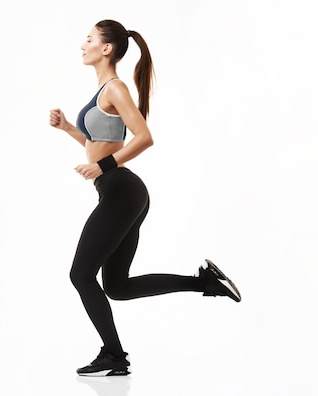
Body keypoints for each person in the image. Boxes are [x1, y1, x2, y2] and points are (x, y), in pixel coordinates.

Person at [48, 19, 241, 377]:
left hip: (122, 190)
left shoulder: (115, 88)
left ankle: (114, 356)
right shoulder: (104, 91)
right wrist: (70, 130)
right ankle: (203, 282)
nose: (82, 45)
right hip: (122, 191)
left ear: (106, 48)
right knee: (117, 287)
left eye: (88, 39)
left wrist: (103, 166)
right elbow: (103, 145)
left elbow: (143, 137)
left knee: (80, 274)